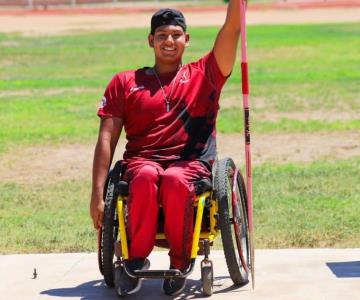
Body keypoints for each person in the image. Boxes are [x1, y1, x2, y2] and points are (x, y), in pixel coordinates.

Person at [90, 1, 241, 296]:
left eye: (175, 35)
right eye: (161, 35)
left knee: (174, 179)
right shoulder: (125, 82)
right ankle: (134, 260)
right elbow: (106, 139)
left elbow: (232, 29)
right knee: (146, 177)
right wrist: (97, 194)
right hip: (142, 161)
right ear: (151, 41)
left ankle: (180, 261)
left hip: (190, 162)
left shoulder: (206, 74)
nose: (169, 41)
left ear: (186, 39)